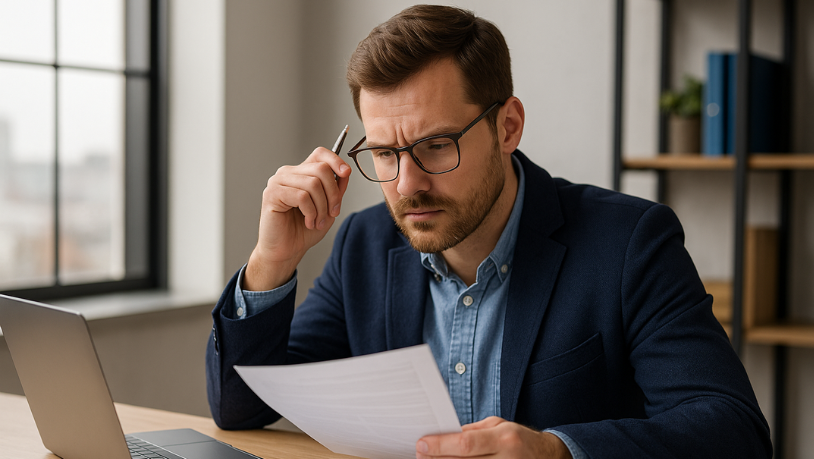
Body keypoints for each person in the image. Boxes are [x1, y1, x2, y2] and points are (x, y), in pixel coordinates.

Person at [206, 5, 771, 458]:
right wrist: (271, 263)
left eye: (434, 146)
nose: (406, 185)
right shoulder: (363, 245)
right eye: (383, 153)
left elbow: (733, 432)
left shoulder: (629, 244)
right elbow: (241, 408)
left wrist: (557, 451)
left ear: (508, 127)